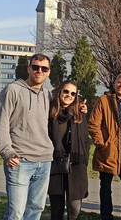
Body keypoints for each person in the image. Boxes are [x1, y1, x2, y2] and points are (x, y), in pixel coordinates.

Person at [0, 53, 54, 220]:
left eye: (44, 68)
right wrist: (6, 152)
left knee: (36, 209)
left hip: (44, 161)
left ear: (48, 72)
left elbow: (61, 117)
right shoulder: (13, 90)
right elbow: (1, 122)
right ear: (29, 68)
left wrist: (80, 110)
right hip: (20, 160)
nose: (39, 71)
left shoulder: (47, 96)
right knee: (16, 213)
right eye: (35, 67)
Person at [88, 72, 121, 220]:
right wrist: (101, 144)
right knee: (105, 188)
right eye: (119, 82)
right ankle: (106, 216)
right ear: (114, 83)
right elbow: (93, 124)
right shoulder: (103, 101)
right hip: (108, 152)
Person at [48, 80, 90, 220]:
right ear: (59, 91)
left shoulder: (78, 114)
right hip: (56, 164)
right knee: (56, 210)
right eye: (66, 91)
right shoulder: (50, 113)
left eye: (73, 93)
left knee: (74, 210)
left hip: (76, 166)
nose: (69, 95)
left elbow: (85, 140)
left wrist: (84, 160)